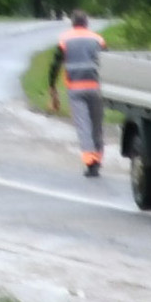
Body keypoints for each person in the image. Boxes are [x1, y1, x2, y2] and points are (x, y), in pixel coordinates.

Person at [58, 10, 106, 179]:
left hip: (76, 89)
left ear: (73, 23)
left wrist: (51, 88)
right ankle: (98, 159)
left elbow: (55, 63)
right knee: (97, 126)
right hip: (96, 88)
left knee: (83, 127)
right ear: (86, 23)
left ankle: (90, 162)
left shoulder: (65, 39)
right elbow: (107, 63)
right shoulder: (98, 39)